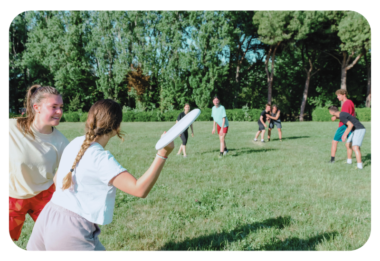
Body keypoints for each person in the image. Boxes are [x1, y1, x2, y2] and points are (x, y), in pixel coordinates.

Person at [27, 99, 174, 251]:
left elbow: (57, 179)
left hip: (48, 215)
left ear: (90, 120)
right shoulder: (101, 158)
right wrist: (162, 154)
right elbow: (139, 189)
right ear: (117, 127)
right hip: (70, 230)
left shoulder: (75, 143)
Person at [9, 85, 69, 242]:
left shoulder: (61, 142)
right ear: (37, 108)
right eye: (54, 107)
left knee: (58, 238)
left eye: (61, 107)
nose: (59, 112)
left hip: (44, 194)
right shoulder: (10, 128)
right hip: (11, 196)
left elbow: (70, 173)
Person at [329, 89, 355, 163]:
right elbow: (353, 114)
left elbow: (344, 116)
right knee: (349, 143)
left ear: (344, 94)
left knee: (334, 142)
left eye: (339, 95)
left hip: (344, 125)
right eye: (337, 96)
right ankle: (349, 161)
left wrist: (335, 116)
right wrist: (337, 117)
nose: (337, 97)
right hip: (351, 125)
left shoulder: (346, 103)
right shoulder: (351, 102)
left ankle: (332, 160)